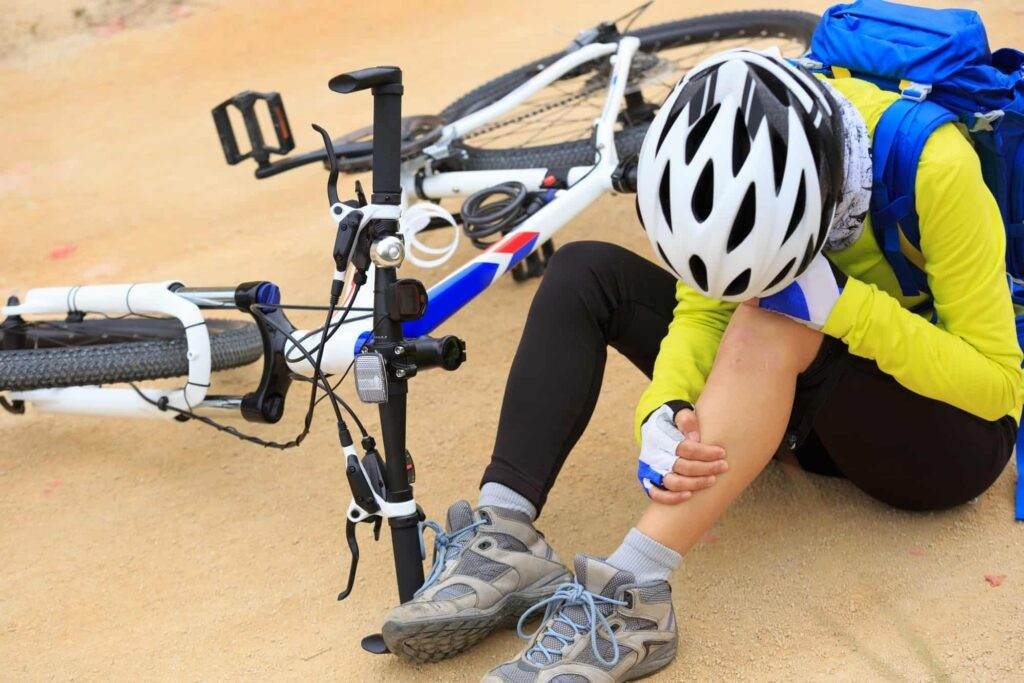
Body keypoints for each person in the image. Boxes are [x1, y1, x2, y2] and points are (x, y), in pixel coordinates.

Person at [381, 48, 1023, 681]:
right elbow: (702, 311)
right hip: (777, 409)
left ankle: (636, 594)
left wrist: (845, 308)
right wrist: (663, 408)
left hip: (938, 443)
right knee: (583, 271)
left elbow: (999, 387)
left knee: (769, 319)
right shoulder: (711, 147)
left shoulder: (934, 167)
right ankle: (505, 533)